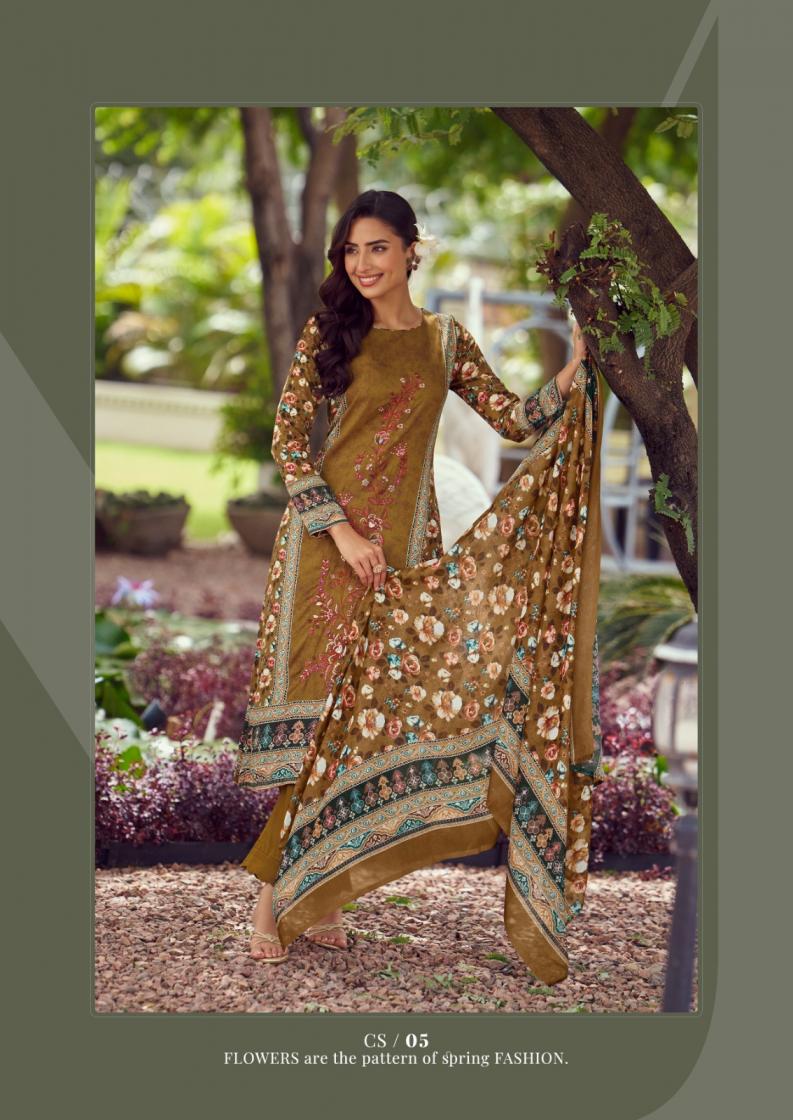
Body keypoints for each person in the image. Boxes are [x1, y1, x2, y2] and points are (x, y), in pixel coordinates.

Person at [231, 189, 604, 984]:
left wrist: (572, 372)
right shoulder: (331, 331)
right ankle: (272, 903)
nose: (362, 264)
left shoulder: (444, 340)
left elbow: (513, 419)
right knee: (321, 730)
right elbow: (288, 443)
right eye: (350, 251)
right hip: (325, 550)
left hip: (404, 561)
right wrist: (342, 532)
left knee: (365, 727)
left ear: (410, 249)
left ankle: (319, 892)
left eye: (377, 248)